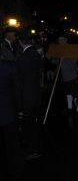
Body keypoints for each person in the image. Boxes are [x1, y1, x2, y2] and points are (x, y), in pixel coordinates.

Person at [16, 30, 43, 160]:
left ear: (21, 42)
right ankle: (34, 147)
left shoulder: (23, 57)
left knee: (29, 123)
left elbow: (19, 78)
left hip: (26, 94)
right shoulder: (36, 54)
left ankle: (33, 149)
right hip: (35, 92)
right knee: (33, 121)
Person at [0, 44, 24, 180]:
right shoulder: (9, 67)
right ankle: (15, 170)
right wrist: (19, 109)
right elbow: (17, 91)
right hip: (7, 110)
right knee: (12, 143)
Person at [57, 34, 78, 114]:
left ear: (66, 40)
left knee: (74, 93)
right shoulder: (60, 49)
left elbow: (75, 60)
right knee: (67, 92)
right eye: (59, 40)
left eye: (62, 39)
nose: (60, 41)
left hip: (71, 75)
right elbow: (57, 61)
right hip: (63, 74)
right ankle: (69, 107)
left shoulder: (70, 48)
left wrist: (65, 57)